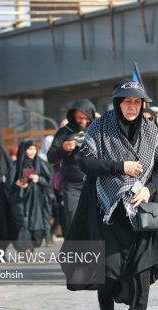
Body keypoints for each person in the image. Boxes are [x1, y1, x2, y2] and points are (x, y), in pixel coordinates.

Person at [77, 80, 158, 310]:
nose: (132, 106)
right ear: (118, 103)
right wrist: (121, 166)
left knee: (142, 267)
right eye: (127, 101)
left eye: (137, 101)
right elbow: (86, 163)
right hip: (108, 209)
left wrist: (149, 189)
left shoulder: (152, 132)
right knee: (109, 268)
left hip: (142, 209)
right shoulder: (99, 128)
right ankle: (106, 307)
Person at [47, 99, 96, 235]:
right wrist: (63, 149)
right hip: (72, 185)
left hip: (94, 183)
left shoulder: (97, 130)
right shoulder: (64, 132)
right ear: (73, 115)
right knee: (73, 220)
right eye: (80, 118)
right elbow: (51, 157)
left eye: (87, 118)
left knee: (93, 222)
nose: (84, 121)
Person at [10, 140, 51, 249]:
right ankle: (23, 249)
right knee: (24, 223)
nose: (32, 152)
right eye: (29, 149)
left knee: (35, 225)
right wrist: (17, 184)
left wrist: (38, 179)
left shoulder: (40, 162)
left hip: (36, 199)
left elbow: (48, 179)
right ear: (24, 150)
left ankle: (32, 246)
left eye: (33, 149)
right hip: (20, 198)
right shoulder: (16, 164)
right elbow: (9, 183)